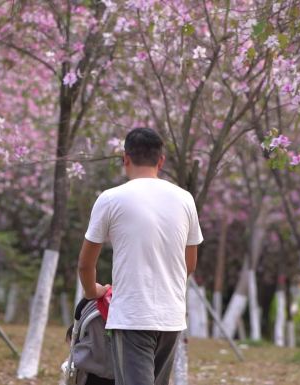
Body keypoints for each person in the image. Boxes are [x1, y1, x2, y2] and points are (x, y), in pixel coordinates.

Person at [77, 127, 203, 385]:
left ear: (125, 158)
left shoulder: (110, 199)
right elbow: (189, 264)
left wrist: (93, 292)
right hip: (171, 317)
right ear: (161, 160)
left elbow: (85, 264)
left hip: (132, 316)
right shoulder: (185, 199)